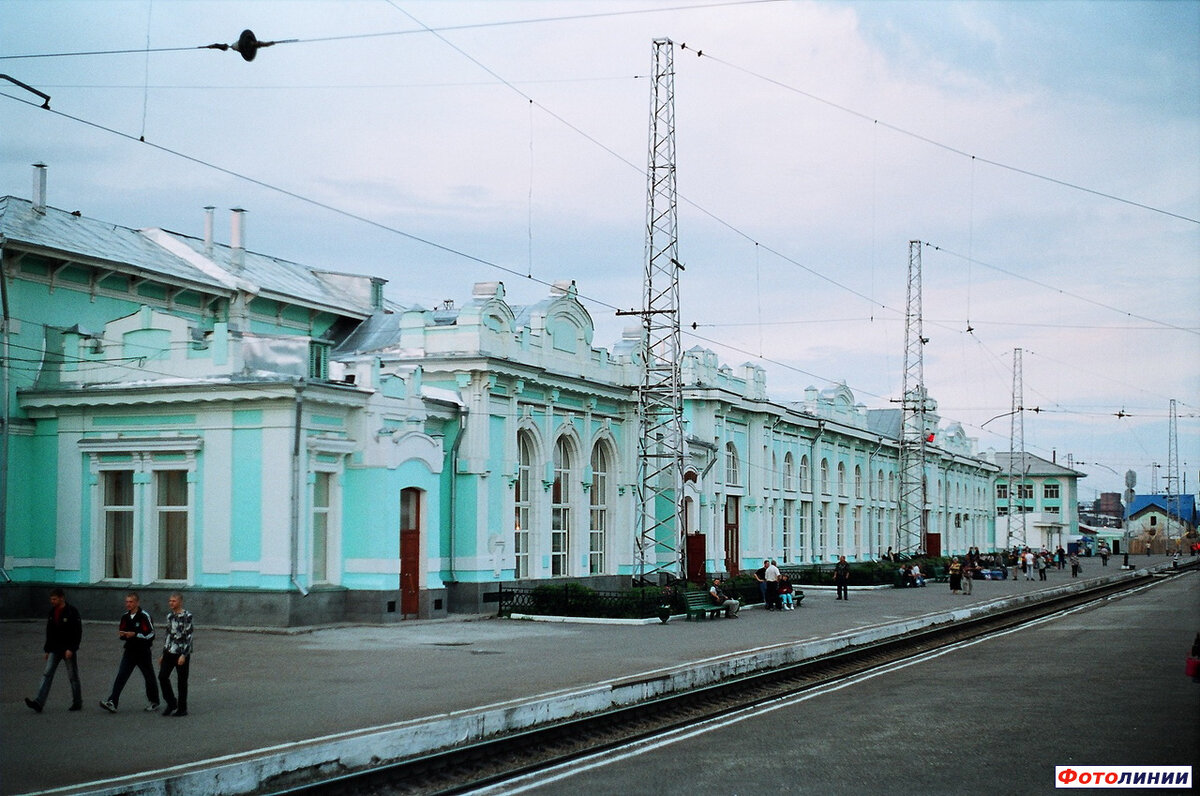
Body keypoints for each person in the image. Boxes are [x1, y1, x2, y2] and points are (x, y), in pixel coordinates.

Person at [25, 587, 83, 713]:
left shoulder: (72, 612)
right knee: (47, 674)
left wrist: (72, 648)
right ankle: (39, 702)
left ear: (62, 598)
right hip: (54, 649)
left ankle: (77, 701)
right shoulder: (52, 612)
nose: (52, 601)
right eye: (51, 599)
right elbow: (49, 632)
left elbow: (77, 632)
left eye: (54, 599)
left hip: (67, 649)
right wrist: (47, 649)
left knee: (73, 676)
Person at [99, 592, 159, 713]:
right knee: (121, 675)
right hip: (129, 651)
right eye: (126, 602)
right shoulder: (125, 617)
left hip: (143, 651)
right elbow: (122, 631)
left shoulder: (144, 616)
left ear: (137, 602)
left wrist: (135, 634)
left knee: (149, 677)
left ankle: (154, 701)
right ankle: (112, 702)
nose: (128, 604)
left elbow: (151, 634)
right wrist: (123, 635)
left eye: (131, 602)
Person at [157, 593, 193, 717]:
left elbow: (189, 636)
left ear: (180, 602)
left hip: (181, 653)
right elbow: (168, 634)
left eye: (174, 601)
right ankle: (171, 702)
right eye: (170, 601)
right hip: (169, 651)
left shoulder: (187, 616)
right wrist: (163, 653)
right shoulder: (170, 616)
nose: (171, 603)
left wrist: (184, 654)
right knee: (162, 676)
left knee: (182, 681)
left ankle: (182, 709)